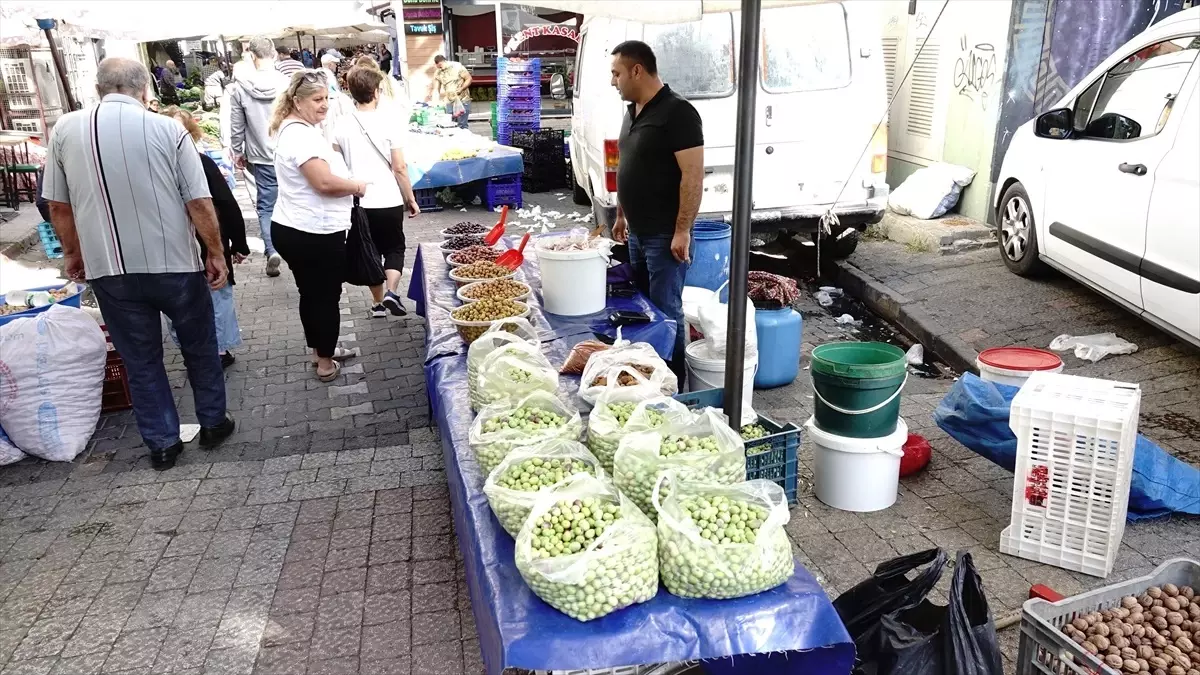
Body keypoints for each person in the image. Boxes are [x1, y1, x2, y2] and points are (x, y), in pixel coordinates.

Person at [40, 57, 235, 470]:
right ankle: (214, 422)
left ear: (98, 88)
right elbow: (198, 201)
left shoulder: (65, 129)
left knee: (141, 358)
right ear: (145, 89)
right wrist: (214, 251)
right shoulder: (168, 128)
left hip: (109, 266)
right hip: (175, 263)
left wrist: (72, 252)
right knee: (199, 346)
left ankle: (163, 443)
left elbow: (58, 204)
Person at [609, 40, 704, 382]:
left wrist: (682, 230)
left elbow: (693, 177)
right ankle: (649, 376)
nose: (612, 81)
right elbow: (626, 166)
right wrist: (621, 214)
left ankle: (674, 382)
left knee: (666, 310)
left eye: (616, 73)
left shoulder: (678, 113)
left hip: (665, 234)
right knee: (644, 308)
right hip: (637, 230)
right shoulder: (632, 111)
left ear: (637, 70)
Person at [269, 71, 367, 382]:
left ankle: (320, 350)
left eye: (326, 98)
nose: (324, 105)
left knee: (311, 294)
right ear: (297, 102)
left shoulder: (297, 130)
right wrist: (355, 186)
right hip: (312, 231)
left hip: (296, 226)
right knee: (324, 296)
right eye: (317, 99)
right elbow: (323, 182)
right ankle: (325, 362)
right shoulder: (301, 135)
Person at [164, 106, 251, 367]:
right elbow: (226, 203)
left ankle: (194, 350)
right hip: (204, 242)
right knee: (217, 294)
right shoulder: (201, 162)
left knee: (181, 301)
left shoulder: (150, 166)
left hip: (171, 247)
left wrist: (239, 242)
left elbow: (227, 204)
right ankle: (219, 350)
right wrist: (239, 244)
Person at [334, 66, 419, 318]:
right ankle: (392, 292)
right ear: (376, 92)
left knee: (369, 251)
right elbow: (400, 167)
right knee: (394, 248)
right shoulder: (390, 121)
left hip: (357, 200)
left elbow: (336, 163)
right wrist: (410, 198)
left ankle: (378, 303)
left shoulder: (341, 123)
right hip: (388, 198)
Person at [228, 35, 288, 277]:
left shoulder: (237, 87)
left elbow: (236, 124)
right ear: (273, 54)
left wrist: (237, 151)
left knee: (266, 206)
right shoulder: (286, 82)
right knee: (293, 199)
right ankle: (295, 249)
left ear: (252, 56)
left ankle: (272, 249)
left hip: (260, 155)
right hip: (288, 151)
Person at [429, 54, 471, 129]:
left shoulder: (457, 66)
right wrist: (435, 101)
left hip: (462, 99)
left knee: (462, 125)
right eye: (438, 67)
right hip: (449, 100)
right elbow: (436, 89)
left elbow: (469, 79)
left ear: (444, 61)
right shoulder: (438, 72)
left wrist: (462, 88)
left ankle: (464, 138)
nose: (440, 69)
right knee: (450, 124)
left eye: (441, 66)